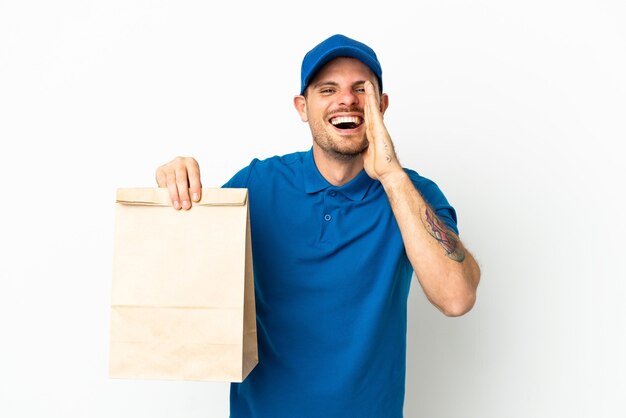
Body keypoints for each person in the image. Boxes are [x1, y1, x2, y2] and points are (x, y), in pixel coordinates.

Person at [156, 34, 480, 418]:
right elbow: (180, 275)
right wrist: (176, 187)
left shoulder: (413, 195)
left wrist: (391, 176)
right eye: (328, 89)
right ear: (302, 107)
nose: (347, 100)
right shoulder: (258, 183)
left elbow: (457, 298)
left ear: (383, 106)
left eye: (362, 89)